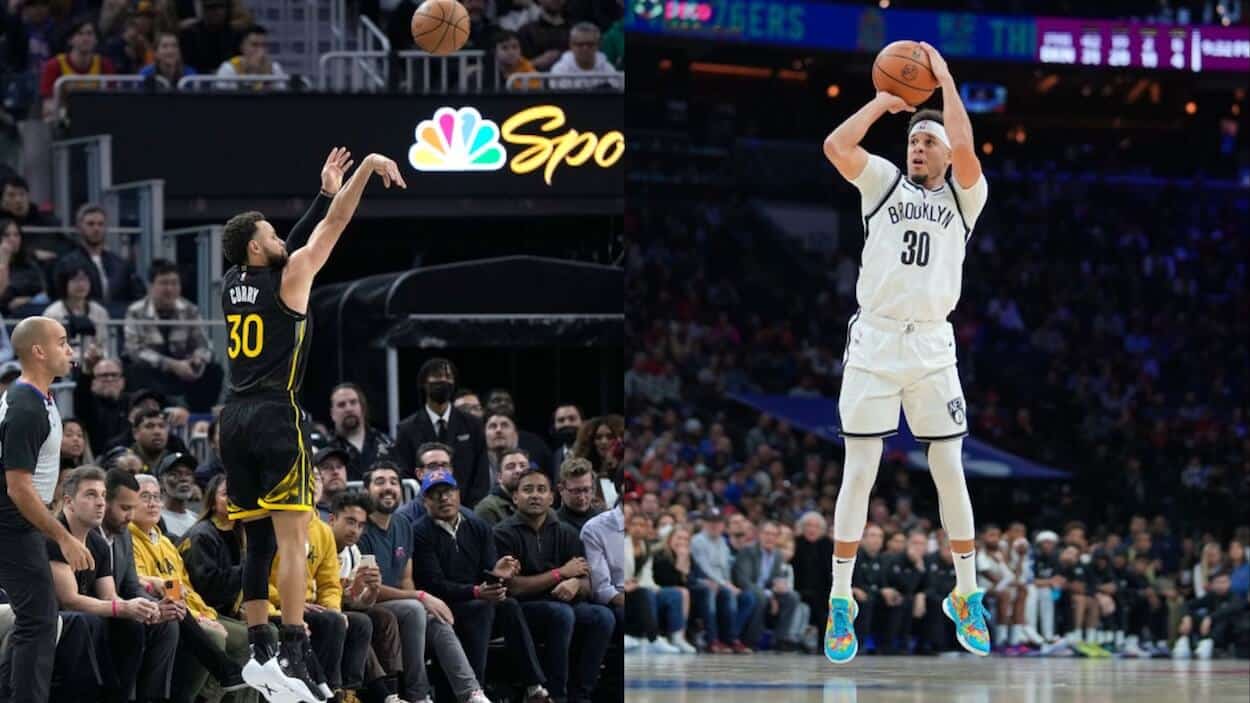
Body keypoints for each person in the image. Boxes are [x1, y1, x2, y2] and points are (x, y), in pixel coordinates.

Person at [820, 42, 990, 662]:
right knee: (859, 472)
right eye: (914, 141)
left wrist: (944, 83)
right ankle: (841, 602)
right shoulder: (885, 182)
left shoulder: (965, 199)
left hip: (932, 346)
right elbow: (837, 148)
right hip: (875, 340)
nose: (918, 148)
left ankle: (966, 594)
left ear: (947, 152)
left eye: (928, 142)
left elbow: (969, 151)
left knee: (949, 469)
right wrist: (881, 102)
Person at [217, 146, 405, 702]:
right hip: (277, 414)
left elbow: (288, 242)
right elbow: (331, 227)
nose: (284, 240)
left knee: (255, 544)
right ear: (258, 246)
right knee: (293, 541)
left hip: (234, 418)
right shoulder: (294, 275)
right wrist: (366, 169)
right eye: (273, 235)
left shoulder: (232, 280)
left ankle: (260, 654)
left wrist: (323, 189)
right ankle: (295, 652)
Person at [0, 317, 92, 703]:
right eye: (62, 342)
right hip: (11, 523)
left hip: (22, 523)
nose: (70, 350)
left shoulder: (40, 398)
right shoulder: (26, 407)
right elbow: (18, 487)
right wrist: (64, 537)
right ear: (38, 351)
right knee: (38, 622)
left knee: (37, 621)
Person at [410, 469, 550, 702]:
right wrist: (476, 591)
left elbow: (487, 572)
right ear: (425, 501)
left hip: (477, 599)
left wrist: (497, 574)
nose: (444, 498)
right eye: (435, 494)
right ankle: (475, 691)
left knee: (510, 605)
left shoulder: (478, 526)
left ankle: (533, 686)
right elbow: (434, 584)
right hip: (442, 606)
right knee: (482, 608)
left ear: (458, 494)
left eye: (448, 491)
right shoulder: (420, 532)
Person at [494, 468, 613, 702]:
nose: (535, 495)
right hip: (521, 610)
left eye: (541, 490)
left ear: (551, 497)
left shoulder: (567, 533)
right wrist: (560, 574)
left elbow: (586, 580)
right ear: (515, 497)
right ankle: (556, 696)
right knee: (561, 614)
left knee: (602, 616)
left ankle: (582, 695)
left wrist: (577, 585)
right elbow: (512, 587)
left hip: (560, 603)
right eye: (528, 490)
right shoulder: (502, 533)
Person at [393, 358, 491, 507]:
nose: (443, 380)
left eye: (448, 377)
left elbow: (481, 474)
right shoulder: (406, 429)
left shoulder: (473, 424)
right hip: (423, 511)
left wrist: (471, 511)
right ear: (424, 383)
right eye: (437, 376)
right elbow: (406, 475)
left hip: (467, 510)